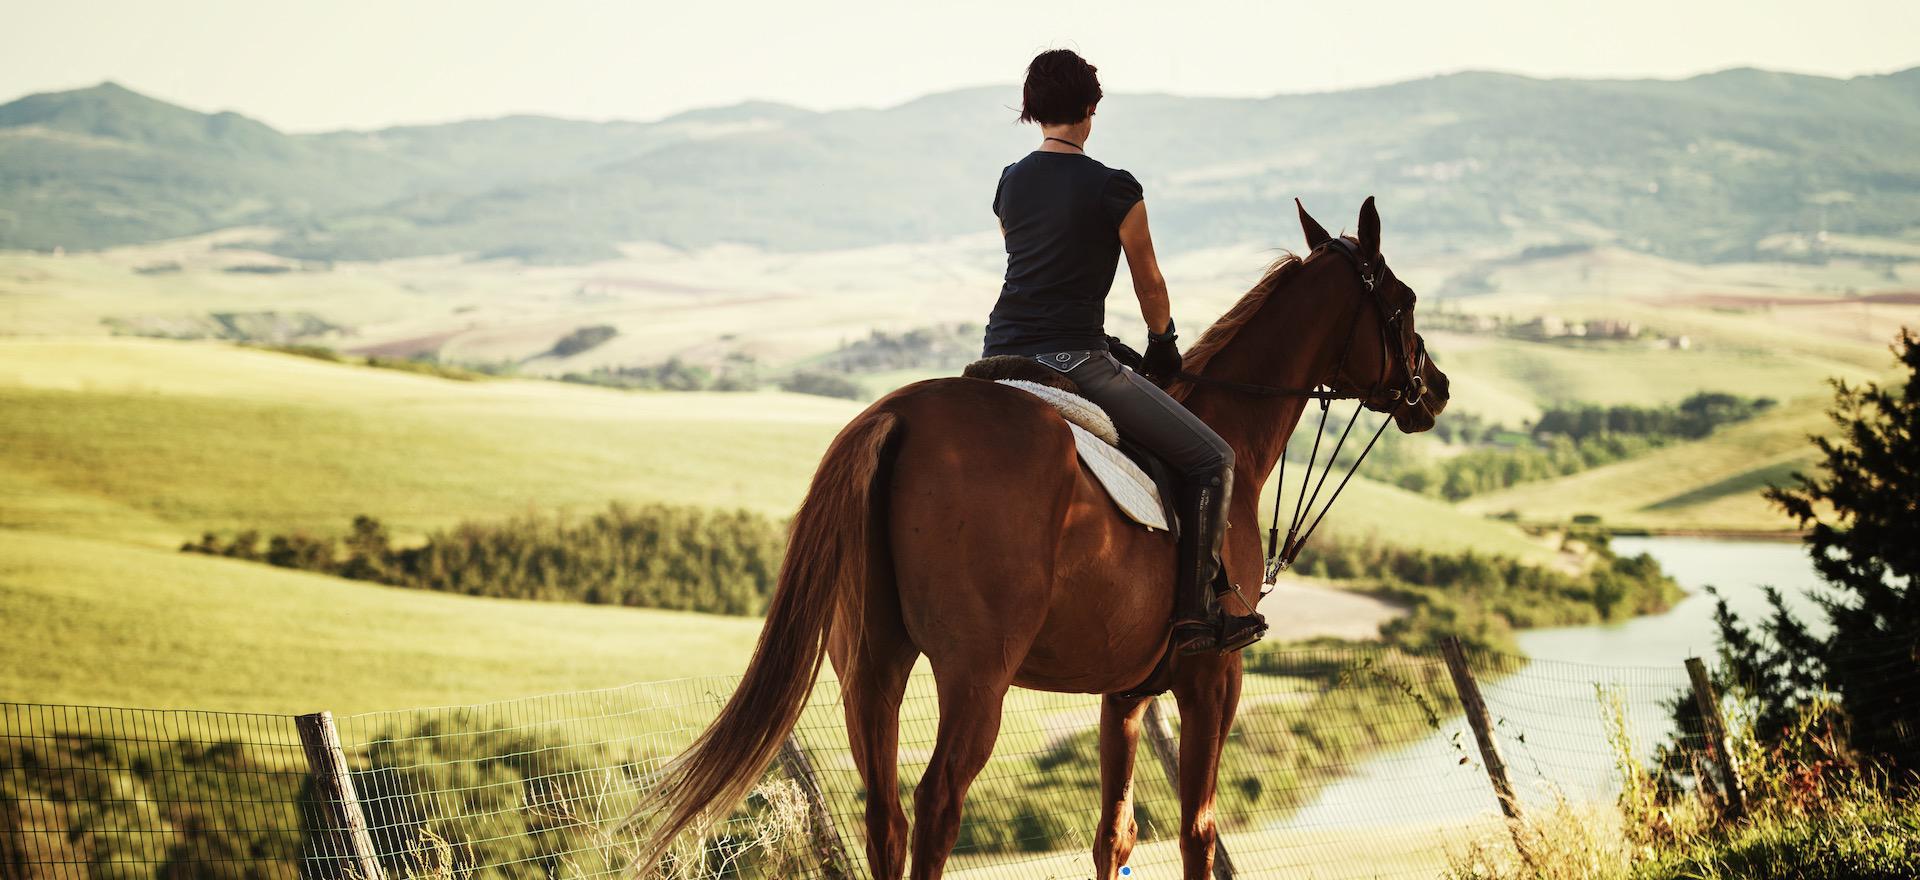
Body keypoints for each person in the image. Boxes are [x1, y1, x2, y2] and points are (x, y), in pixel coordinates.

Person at [984, 49, 1266, 655]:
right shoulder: (1115, 187)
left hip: (1000, 353)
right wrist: (1163, 345)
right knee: (1212, 459)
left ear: (1031, 111)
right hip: (1076, 362)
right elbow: (1149, 283)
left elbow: (1033, 266)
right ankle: (1196, 616)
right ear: (1092, 109)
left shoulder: (1010, 182)